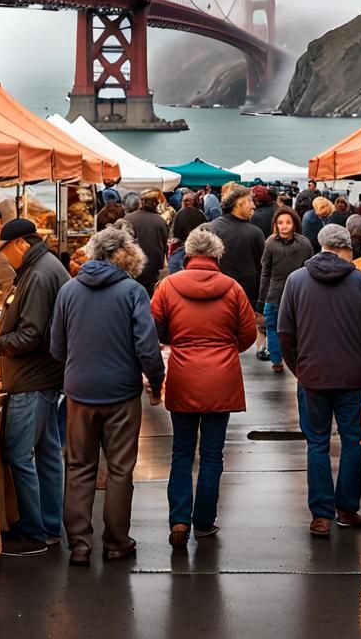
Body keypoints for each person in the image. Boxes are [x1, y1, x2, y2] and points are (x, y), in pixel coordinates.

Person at [51, 226, 164, 567]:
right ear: (123, 255)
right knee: (119, 469)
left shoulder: (69, 290)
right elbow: (147, 346)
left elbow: (56, 345)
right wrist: (155, 382)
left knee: (79, 467)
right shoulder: (132, 291)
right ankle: (116, 542)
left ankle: (80, 545)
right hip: (121, 393)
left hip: (79, 393)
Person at [0, 218, 69, 555]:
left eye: (4, 249)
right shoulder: (42, 267)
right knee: (49, 453)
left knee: (20, 453)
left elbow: (31, 335)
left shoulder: (38, 275)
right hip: (45, 376)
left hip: (33, 379)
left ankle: (35, 531)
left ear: (22, 244)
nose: (3, 256)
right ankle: (49, 525)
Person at [277, 224, 361, 536]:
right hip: (352, 377)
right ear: (347, 248)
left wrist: (299, 368)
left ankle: (321, 515)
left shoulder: (296, 281)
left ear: (320, 245)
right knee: (352, 441)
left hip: (312, 376)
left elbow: (286, 333)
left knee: (317, 442)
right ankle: (347, 510)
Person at [151, 228, 256, 546]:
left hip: (183, 375)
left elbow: (154, 328)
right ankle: (204, 521)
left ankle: (179, 522)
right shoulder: (233, 288)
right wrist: (226, 350)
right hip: (222, 379)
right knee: (212, 454)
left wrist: (175, 342)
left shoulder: (167, 286)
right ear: (216, 256)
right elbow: (249, 334)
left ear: (187, 256)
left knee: (182, 452)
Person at [257, 207, 312, 373]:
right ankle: (276, 360)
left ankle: (292, 359)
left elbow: (309, 270)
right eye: (280, 222)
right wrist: (261, 297)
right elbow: (265, 272)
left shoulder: (304, 244)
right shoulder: (270, 243)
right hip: (276, 293)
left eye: (288, 222)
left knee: (293, 328)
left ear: (295, 224)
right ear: (275, 224)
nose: (284, 226)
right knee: (273, 327)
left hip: (296, 294)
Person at [202, 183, 265, 312]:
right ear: (238, 204)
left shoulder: (209, 228)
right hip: (244, 300)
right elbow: (262, 270)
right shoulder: (254, 233)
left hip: (213, 296)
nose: (253, 205)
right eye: (249, 201)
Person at [124, 189, 169, 296]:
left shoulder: (128, 218)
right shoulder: (161, 221)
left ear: (141, 202)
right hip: (152, 268)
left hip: (133, 267)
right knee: (149, 298)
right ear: (156, 204)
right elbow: (163, 245)